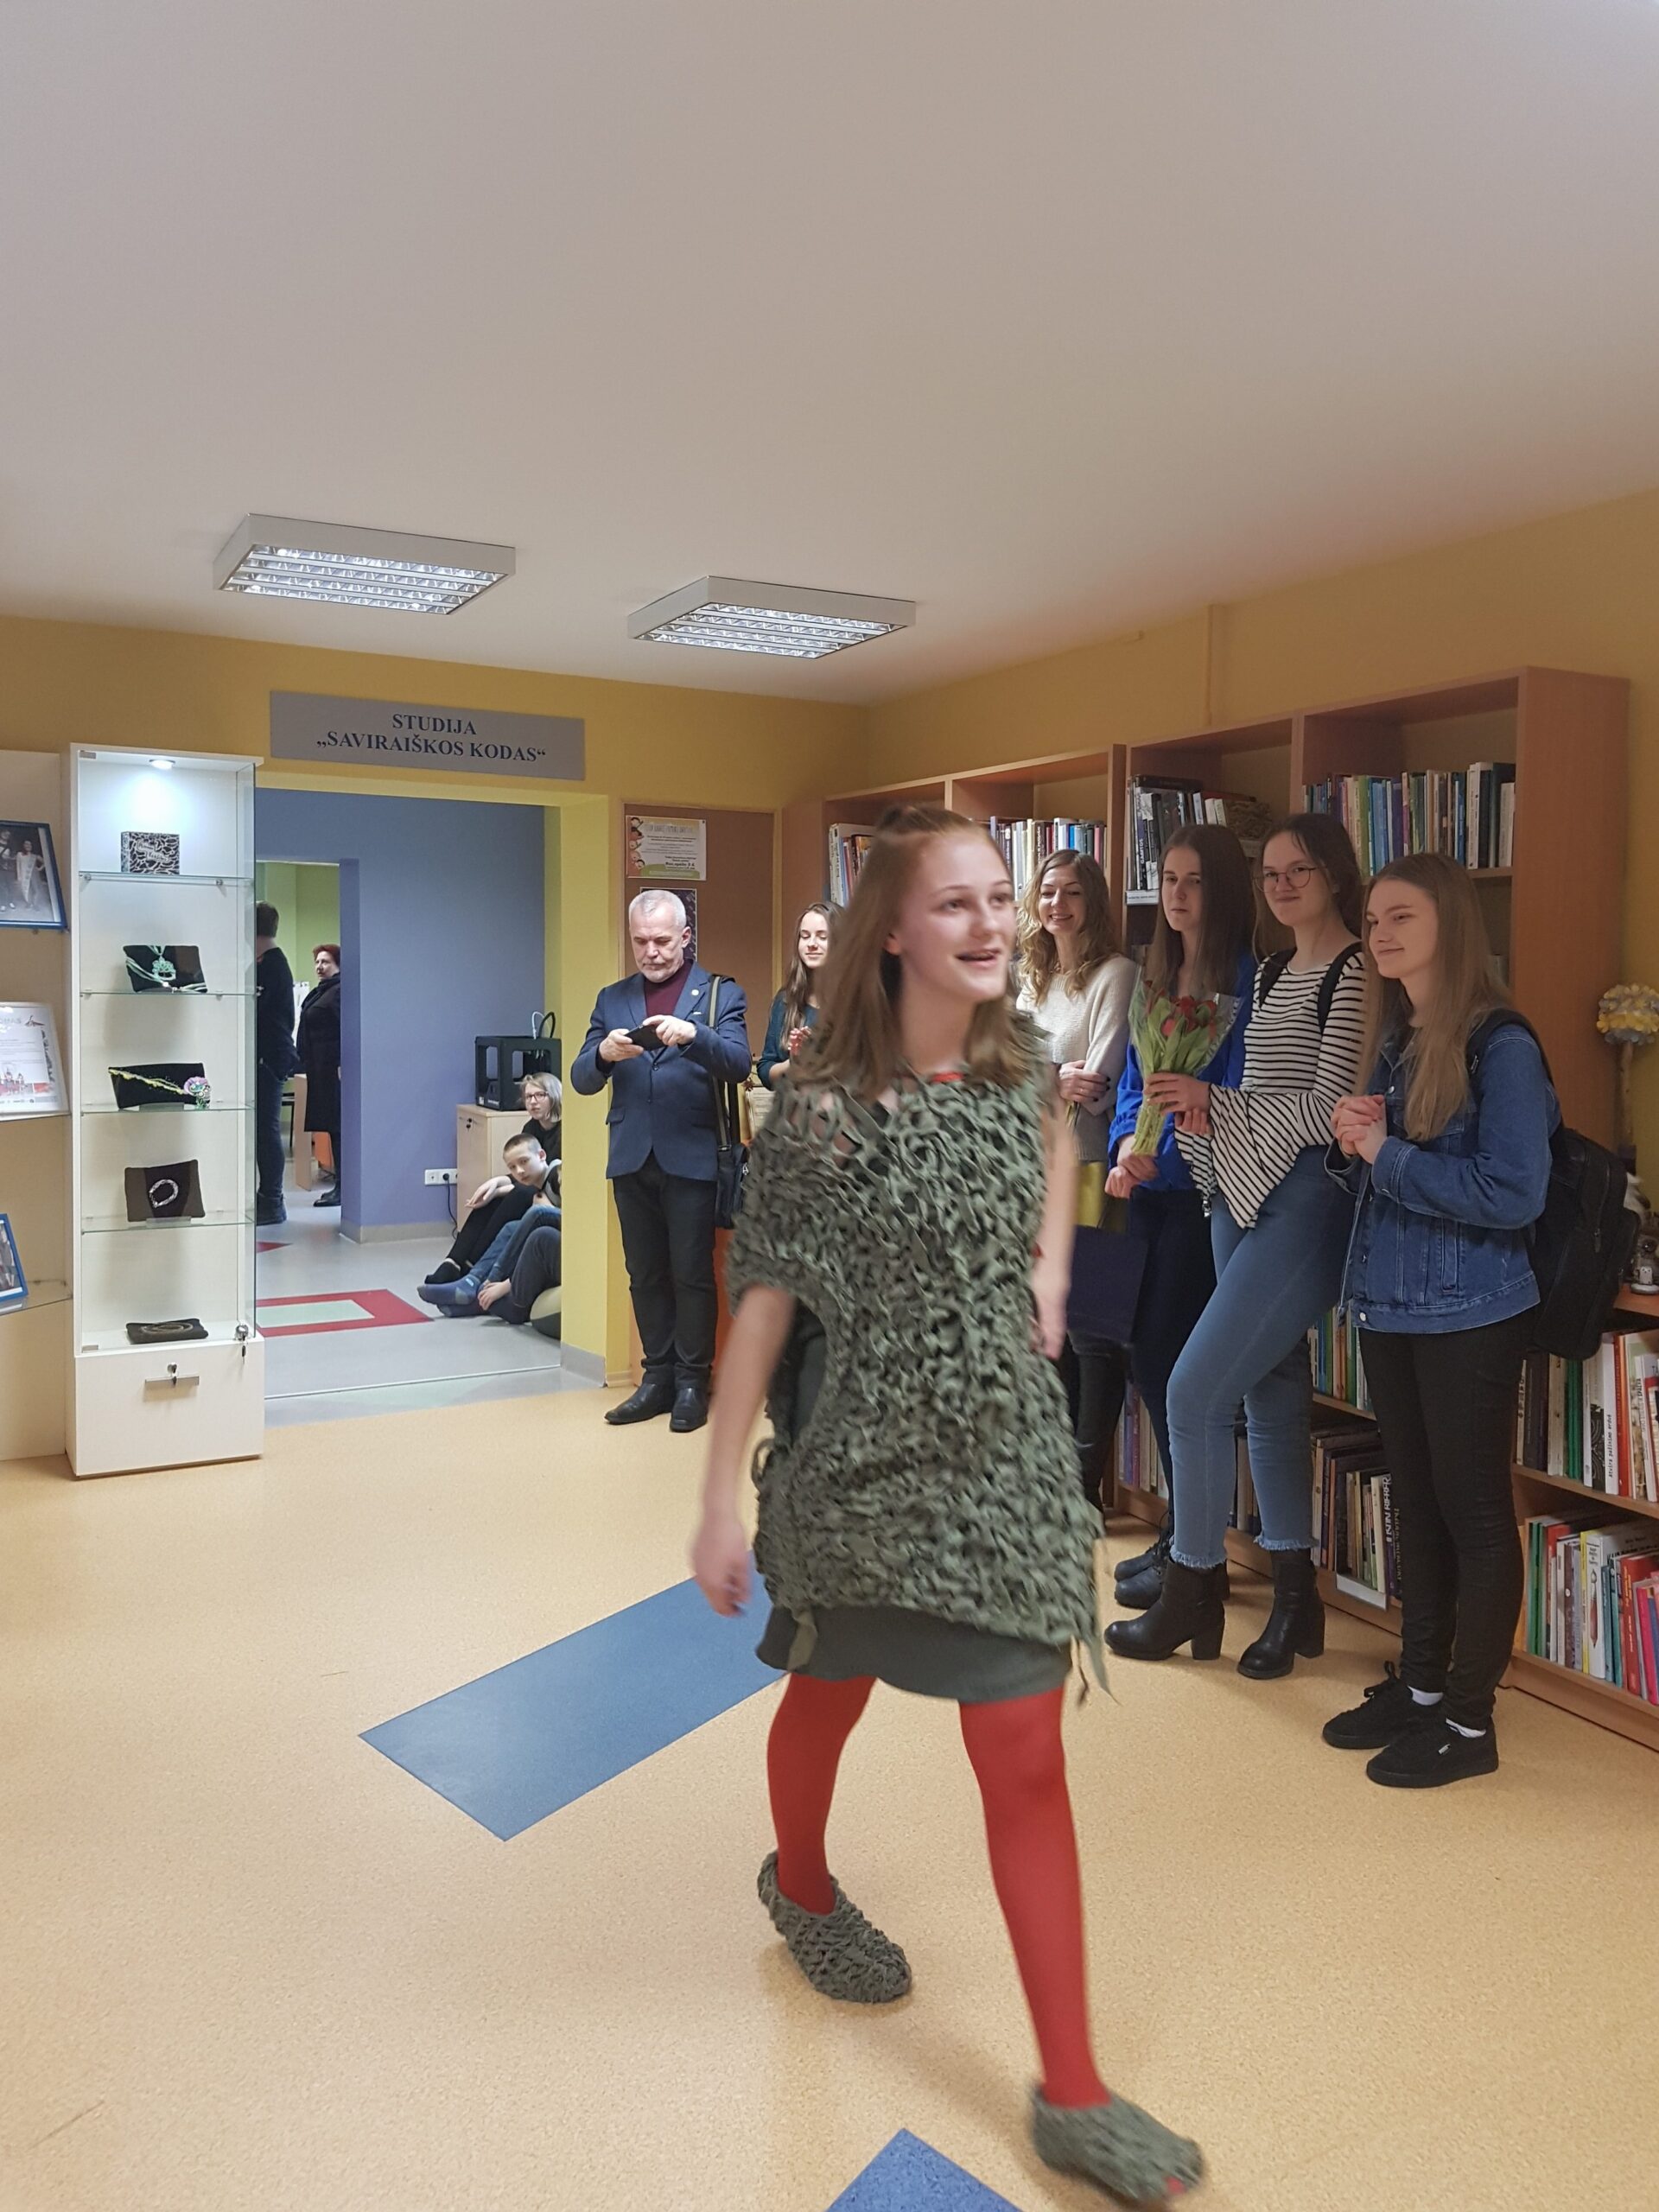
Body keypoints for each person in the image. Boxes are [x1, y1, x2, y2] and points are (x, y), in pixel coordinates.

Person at [689, 806, 1203, 2206]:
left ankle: (1074, 2094)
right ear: (894, 933)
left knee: (1025, 1750)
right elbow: (762, 1305)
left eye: (998, 897)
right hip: (859, 1464)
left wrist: (1051, 1269)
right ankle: (800, 1884)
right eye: (956, 902)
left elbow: (1058, 1141)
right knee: (828, 1693)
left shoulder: (1019, 1059)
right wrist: (717, 1500)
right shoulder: (819, 1111)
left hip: (1008, 1458)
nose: (988, 923)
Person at [1109, 813, 1365, 1675]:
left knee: (1192, 1389)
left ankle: (1194, 1585)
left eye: (1300, 871)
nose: (1283, 885)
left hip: (1302, 1204)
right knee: (1271, 1391)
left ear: (1335, 875)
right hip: (1235, 1191)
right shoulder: (1278, 969)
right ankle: (1296, 1600)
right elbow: (1251, 1094)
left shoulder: (1353, 972)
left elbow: (1328, 1111)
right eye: (1273, 873)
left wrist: (1212, 1106)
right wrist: (1182, 1131)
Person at [1324, 855, 1554, 1787]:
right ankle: (1421, 1689)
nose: (1379, 934)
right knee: (1416, 1506)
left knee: (1474, 1513)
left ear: (1450, 924)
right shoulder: (1396, 1037)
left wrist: (1386, 1153)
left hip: (1471, 1311)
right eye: (1373, 919)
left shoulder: (1503, 1044)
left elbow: (1514, 1192)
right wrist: (1356, 1143)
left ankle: (1468, 1721)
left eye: (1401, 917)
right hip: (1391, 1305)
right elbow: (1383, 1175)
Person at [1104, 826, 1257, 1608]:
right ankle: (1181, 1533)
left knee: (1177, 1365)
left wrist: (1160, 1155)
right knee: (1145, 1356)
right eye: (1168, 878)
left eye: (1194, 880)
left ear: (1222, 889)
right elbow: (1136, 1082)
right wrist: (1124, 1147)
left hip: (1209, 1196)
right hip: (1148, 1192)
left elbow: (1236, 1093)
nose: (1177, 894)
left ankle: (1198, 1549)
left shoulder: (1248, 981)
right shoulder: (1155, 976)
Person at [570, 890, 751, 1433]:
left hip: (692, 1155)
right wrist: (604, 1054)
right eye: (641, 942)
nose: (651, 952)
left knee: (691, 1274)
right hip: (631, 1156)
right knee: (645, 1274)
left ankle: (693, 1381)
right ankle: (657, 1378)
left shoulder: (720, 994)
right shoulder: (612, 998)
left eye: (662, 941)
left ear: (685, 937)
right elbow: (580, 1078)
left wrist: (695, 1035)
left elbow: (739, 1064)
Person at [1016, 849, 1136, 1510]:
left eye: (1071, 893)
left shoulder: (1116, 975)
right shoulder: (1029, 982)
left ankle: (1082, 1488)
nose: (1056, 905)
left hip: (1092, 1169)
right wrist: (1048, 1078)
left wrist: (1047, 1078)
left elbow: (1100, 1080)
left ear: (1093, 902)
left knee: (1093, 1337)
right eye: (1047, 892)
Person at [424, 1071, 562, 1286]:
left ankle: (471, 1266)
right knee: (491, 1197)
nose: (533, 1102)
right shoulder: (531, 1128)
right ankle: (453, 1262)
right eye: (528, 1097)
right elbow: (523, 1172)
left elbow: (539, 1178)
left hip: (551, 1196)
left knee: (517, 1193)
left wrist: (500, 1188)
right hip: (531, 1187)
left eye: (539, 1095)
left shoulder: (567, 1131)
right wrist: (495, 1183)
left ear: (553, 1095)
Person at [418, 1132, 558, 1313]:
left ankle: (482, 1283)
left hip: (561, 1240)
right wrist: (496, 1189)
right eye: (513, 1167)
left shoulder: (558, 1176)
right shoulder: (539, 1182)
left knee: (537, 1213)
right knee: (510, 1227)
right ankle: (470, 1280)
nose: (519, 1171)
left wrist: (548, 1210)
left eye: (524, 1162)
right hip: (549, 1237)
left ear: (541, 1155)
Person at [758, 904, 836, 1087]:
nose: (812, 944)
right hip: (796, 1103)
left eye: (822, 937)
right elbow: (765, 1070)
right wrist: (794, 1062)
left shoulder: (860, 1001)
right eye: (805, 936)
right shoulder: (786, 1000)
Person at [253, 902, 297, 1227]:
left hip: (271, 1057)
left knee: (267, 1131)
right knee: (264, 1131)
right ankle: (268, 1197)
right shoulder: (268, 964)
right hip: (271, 1055)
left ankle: (272, 1199)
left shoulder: (271, 967)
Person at [296, 944, 342, 1208]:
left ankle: (343, 1189)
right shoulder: (321, 991)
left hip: (333, 1070)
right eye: (317, 962)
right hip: (319, 1069)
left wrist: (343, 1065)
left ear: (338, 965)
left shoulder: (339, 992)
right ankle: (340, 1186)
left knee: (338, 1128)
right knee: (332, 1128)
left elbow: (346, 1030)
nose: (319, 967)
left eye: (326, 962)